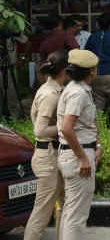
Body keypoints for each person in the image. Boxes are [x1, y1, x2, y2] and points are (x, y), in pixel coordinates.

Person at [57, 49, 102, 240]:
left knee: (71, 213)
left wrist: (96, 147)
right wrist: (83, 157)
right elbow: (68, 128)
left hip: (80, 153)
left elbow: (85, 125)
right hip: (77, 157)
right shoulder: (78, 93)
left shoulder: (80, 89)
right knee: (76, 217)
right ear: (91, 70)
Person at [24, 51, 68, 240]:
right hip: (47, 157)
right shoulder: (50, 94)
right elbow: (40, 130)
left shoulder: (57, 89)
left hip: (55, 154)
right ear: (65, 70)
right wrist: (65, 126)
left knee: (66, 207)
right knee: (42, 213)